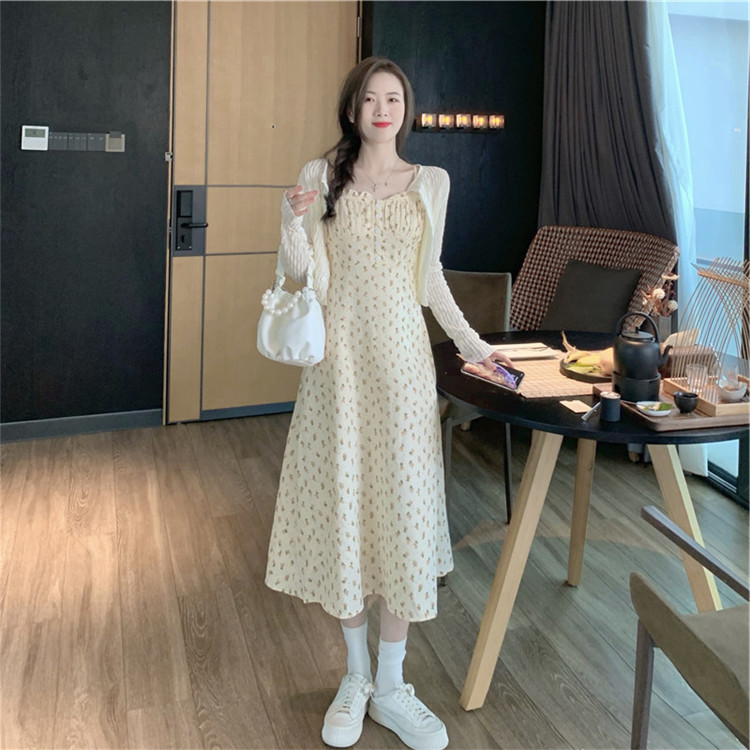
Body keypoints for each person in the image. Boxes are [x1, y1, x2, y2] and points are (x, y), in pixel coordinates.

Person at [265, 56, 513, 750]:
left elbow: (430, 279)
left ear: (407, 109)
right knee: (345, 509)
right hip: (337, 368)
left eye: (394, 98)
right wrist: (289, 222)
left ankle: (394, 685)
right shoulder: (321, 175)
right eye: (370, 98)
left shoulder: (432, 181)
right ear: (353, 109)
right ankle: (356, 676)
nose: (382, 109)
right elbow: (299, 274)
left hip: (403, 367)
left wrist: (474, 346)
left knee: (401, 512)